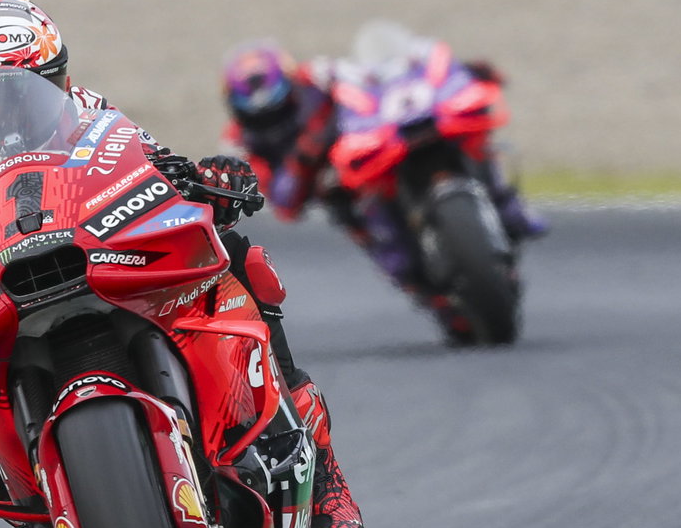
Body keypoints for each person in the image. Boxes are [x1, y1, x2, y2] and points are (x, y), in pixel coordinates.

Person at [0, 0, 363, 528]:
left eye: (31, 87)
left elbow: (154, 171)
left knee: (232, 255)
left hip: (90, 267)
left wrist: (205, 182)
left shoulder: (81, 107)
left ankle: (318, 471)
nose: (9, 111)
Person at [220, 27, 547, 325]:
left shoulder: (316, 78)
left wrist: (458, 73)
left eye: (276, 105)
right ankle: (427, 292)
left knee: (471, 141)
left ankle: (506, 203)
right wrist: (304, 157)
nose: (270, 118)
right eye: (258, 113)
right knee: (363, 221)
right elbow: (284, 203)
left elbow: (368, 79)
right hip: (337, 181)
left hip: (369, 141)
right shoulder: (241, 143)